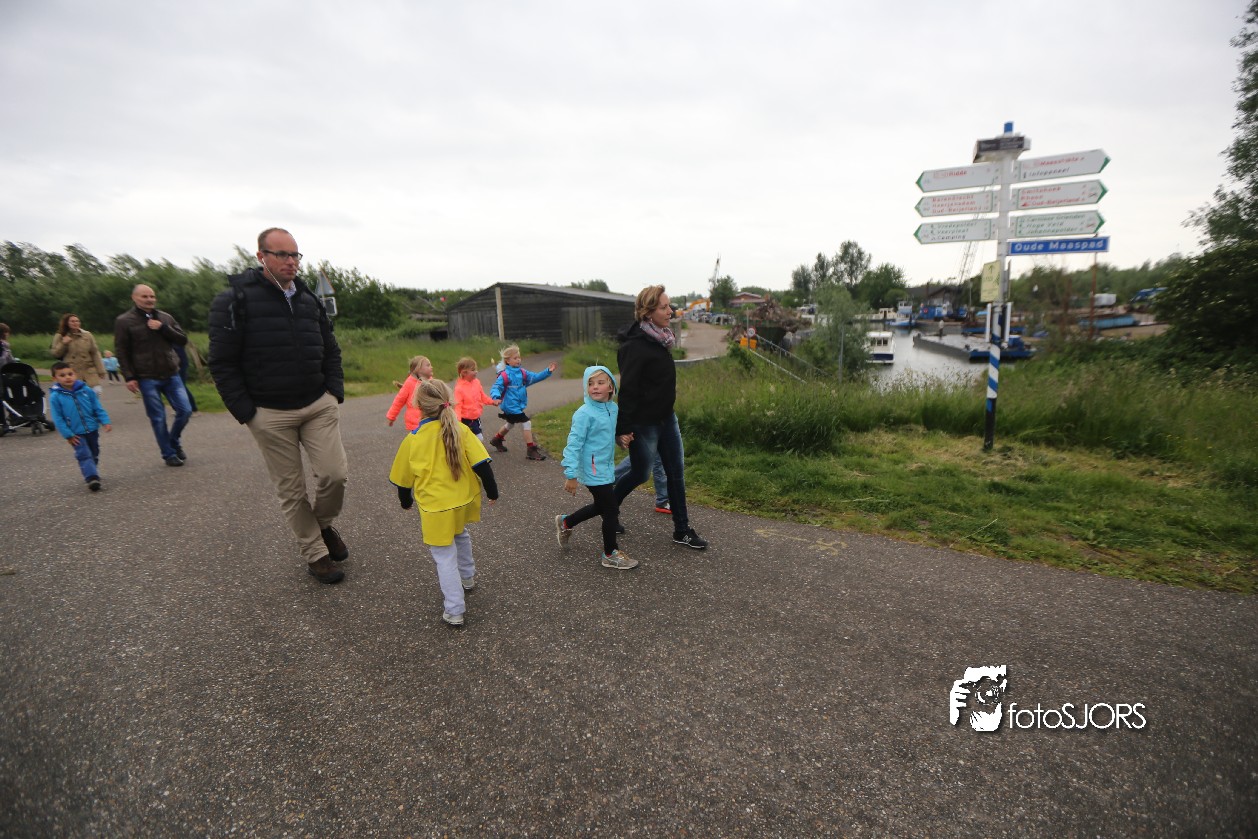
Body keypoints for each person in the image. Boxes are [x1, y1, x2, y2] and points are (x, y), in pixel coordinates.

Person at [208, 227, 349, 585]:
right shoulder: (234, 300)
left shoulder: (308, 298)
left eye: (295, 255)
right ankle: (316, 553)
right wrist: (247, 412)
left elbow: (330, 348)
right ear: (261, 257)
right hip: (269, 412)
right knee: (291, 490)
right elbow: (222, 362)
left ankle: (321, 526)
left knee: (334, 475)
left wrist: (333, 391)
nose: (291, 262)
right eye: (282, 254)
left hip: (317, 402)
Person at [390, 379, 499, 627]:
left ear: (418, 406)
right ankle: (468, 577)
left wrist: (405, 501)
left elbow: (403, 481)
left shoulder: (413, 439)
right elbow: (482, 465)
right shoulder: (461, 429)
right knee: (460, 534)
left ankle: (454, 609)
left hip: (435, 508)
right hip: (462, 501)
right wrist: (492, 492)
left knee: (444, 556)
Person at [613, 285, 708, 549]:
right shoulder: (634, 346)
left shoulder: (661, 338)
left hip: (667, 418)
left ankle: (682, 529)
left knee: (676, 473)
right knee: (640, 474)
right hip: (644, 423)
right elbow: (628, 390)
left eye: (669, 306)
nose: (671, 311)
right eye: (664, 307)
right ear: (648, 312)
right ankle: (609, 507)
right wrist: (623, 428)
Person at [555, 366, 636, 570]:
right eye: (590, 383)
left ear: (611, 387)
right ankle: (610, 553)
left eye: (600, 382)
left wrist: (621, 439)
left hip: (606, 467)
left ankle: (566, 522)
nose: (595, 387)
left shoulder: (612, 408)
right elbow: (573, 445)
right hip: (591, 469)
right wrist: (571, 475)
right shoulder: (584, 414)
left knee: (601, 506)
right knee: (611, 509)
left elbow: (609, 433)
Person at [114, 285, 193, 467]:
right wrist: (129, 376)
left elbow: (182, 339)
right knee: (158, 417)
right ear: (134, 298)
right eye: (144, 296)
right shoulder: (124, 321)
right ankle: (168, 454)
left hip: (171, 373)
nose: (149, 299)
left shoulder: (165, 317)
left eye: (152, 296)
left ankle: (173, 441)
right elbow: (121, 351)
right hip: (146, 376)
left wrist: (163, 328)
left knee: (185, 410)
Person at [48, 361, 112, 492]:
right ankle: (92, 478)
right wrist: (68, 434)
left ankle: (91, 469)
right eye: (62, 375)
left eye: (70, 374)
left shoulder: (86, 390)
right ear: (55, 378)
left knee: (94, 452)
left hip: (92, 428)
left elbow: (97, 407)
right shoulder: (56, 396)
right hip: (75, 433)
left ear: (75, 374)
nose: (67, 377)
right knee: (83, 454)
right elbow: (58, 418)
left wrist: (105, 421)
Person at [488, 344, 556, 461]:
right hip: (510, 405)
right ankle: (531, 449)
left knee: (510, 424)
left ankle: (496, 439)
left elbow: (535, 377)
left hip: (517, 405)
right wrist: (495, 397)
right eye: (515, 358)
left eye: (519, 357)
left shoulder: (522, 372)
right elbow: (496, 387)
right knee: (526, 422)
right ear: (507, 361)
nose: (518, 360)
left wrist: (547, 371)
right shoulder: (505, 375)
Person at [50, 313, 106, 395]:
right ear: (66, 323)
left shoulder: (87, 335)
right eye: (72, 321)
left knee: (94, 395)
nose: (75, 323)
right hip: (72, 372)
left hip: (89, 372)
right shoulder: (60, 336)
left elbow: (95, 353)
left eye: (77, 321)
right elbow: (55, 354)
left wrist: (101, 370)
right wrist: (63, 343)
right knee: (78, 396)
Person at [453, 356, 499, 441]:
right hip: (466, 420)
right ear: (464, 373)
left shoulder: (476, 382)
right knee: (479, 438)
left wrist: (492, 402)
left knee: (473, 438)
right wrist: (457, 421)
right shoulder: (459, 388)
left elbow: (482, 396)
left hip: (476, 417)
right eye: (473, 370)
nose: (476, 372)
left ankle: (468, 448)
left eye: (476, 369)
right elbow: (457, 406)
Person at [386, 355, 433, 431]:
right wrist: (391, 416)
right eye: (428, 365)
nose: (431, 367)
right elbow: (399, 401)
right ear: (418, 369)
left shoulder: (432, 382)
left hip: (430, 421)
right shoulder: (409, 383)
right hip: (415, 423)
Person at [174, 343, 200, 413]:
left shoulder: (175, 340)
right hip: (177, 364)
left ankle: (193, 408)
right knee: (178, 387)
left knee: (181, 387)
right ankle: (182, 408)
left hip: (179, 365)